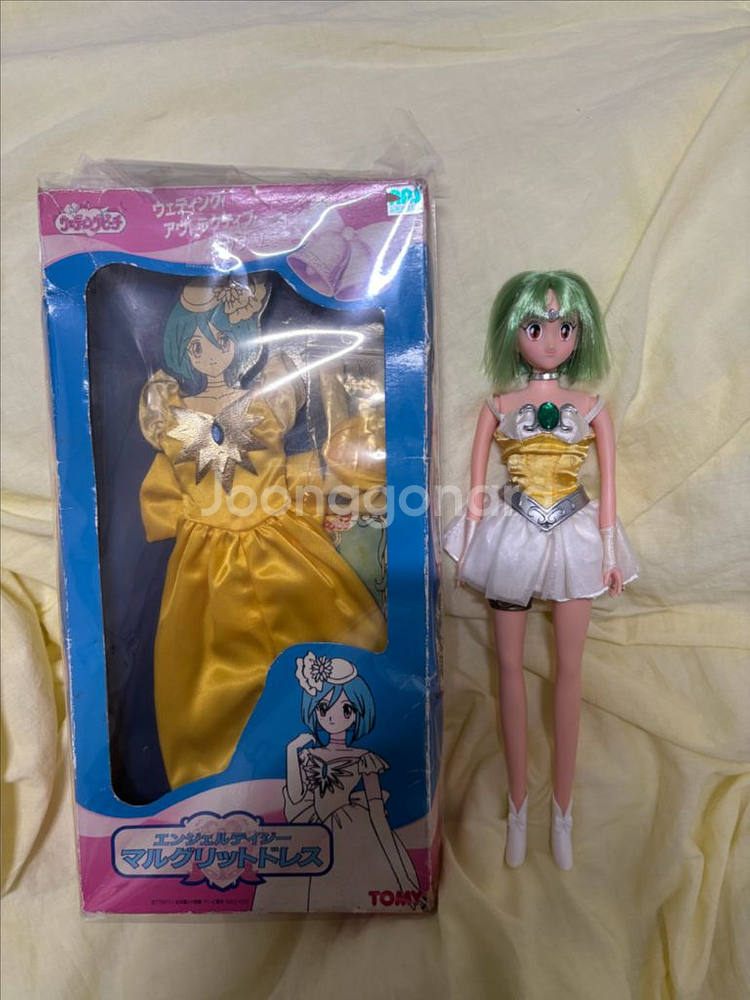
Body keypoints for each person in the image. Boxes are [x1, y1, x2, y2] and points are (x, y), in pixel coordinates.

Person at [139, 275, 387, 790]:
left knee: (325, 643)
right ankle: (217, 782)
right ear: (183, 350)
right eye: (197, 345)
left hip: (284, 545)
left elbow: (297, 471)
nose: (211, 353)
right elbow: (164, 494)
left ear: (241, 343)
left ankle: (342, 747)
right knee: (208, 676)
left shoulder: (266, 400)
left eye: (222, 340)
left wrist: (331, 482)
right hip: (206, 567)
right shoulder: (170, 413)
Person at [444, 270, 638, 869]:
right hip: (511, 538)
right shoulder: (498, 406)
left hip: (576, 536)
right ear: (514, 332)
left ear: (580, 334)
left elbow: (609, 493)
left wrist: (610, 554)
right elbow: (476, 493)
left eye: (564, 327)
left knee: (569, 672)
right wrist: (469, 550)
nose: (551, 340)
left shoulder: (594, 407)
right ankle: (518, 807)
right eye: (535, 327)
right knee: (508, 668)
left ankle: (563, 811)